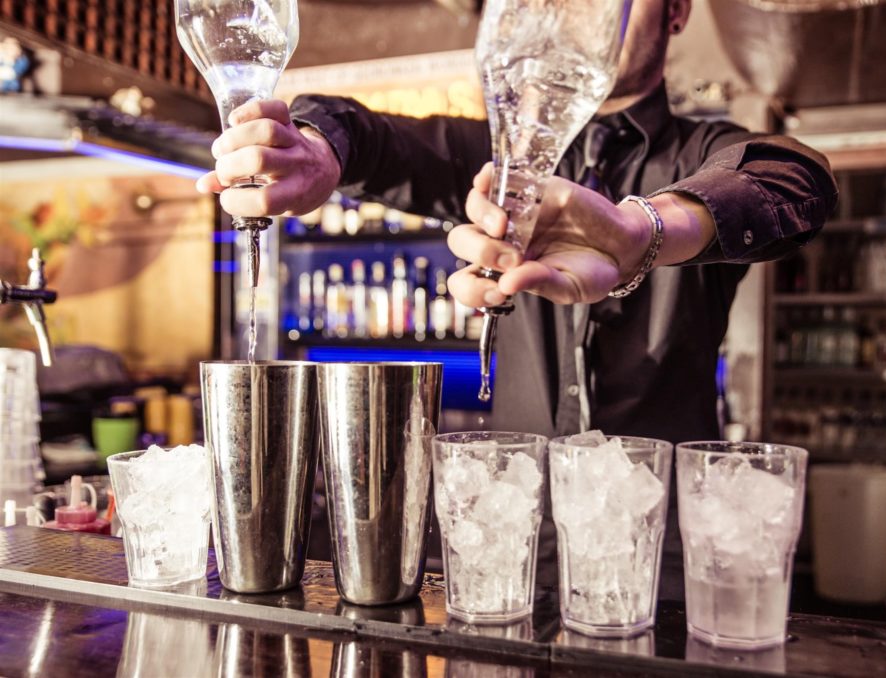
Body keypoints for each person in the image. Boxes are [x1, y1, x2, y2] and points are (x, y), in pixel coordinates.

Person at [197, 0, 838, 595]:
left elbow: (795, 178)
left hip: (661, 548)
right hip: (510, 536)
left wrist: (647, 229)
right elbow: (368, 135)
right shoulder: (497, 157)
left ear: (675, 11)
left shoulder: (700, 153)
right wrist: (319, 146)